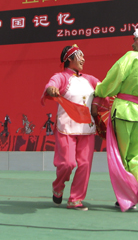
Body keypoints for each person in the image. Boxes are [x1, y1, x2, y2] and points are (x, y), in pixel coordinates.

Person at [95, 29, 138, 209]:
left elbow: (115, 77)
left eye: (136, 40)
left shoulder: (132, 57)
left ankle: (126, 196)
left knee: (121, 156)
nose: (132, 43)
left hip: (124, 110)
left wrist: (100, 91)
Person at [41, 44, 102, 211]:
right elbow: (51, 84)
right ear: (69, 58)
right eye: (80, 55)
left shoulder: (90, 79)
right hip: (66, 128)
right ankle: (58, 186)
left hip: (87, 129)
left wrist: (98, 102)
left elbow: (103, 89)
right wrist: (51, 89)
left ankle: (75, 199)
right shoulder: (61, 77)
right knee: (67, 163)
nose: (83, 59)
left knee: (84, 165)